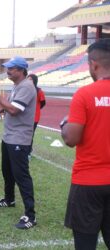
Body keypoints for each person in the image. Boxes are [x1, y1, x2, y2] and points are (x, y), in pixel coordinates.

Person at [61, 39, 110, 249]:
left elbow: (71, 139)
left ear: (93, 64)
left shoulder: (85, 94)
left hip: (88, 181)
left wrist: (64, 124)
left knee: (85, 244)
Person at [0, 56, 37, 229]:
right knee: (7, 172)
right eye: (7, 68)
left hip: (19, 138)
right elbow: (7, 107)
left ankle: (30, 216)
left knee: (21, 176)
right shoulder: (17, 86)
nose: (8, 71)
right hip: (9, 136)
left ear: (21, 70)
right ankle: (9, 200)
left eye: (11, 68)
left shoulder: (26, 86)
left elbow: (15, 110)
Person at [27, 74, 46, 156]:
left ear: (34, 81)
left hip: (34, 118)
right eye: (28, 79)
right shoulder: (25, 90)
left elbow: (43, 103)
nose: (28, 81)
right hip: (25, 117)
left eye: (30, 79)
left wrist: (36, 109)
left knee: (30, 135)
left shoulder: (39, 91)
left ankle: (28, 152)